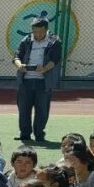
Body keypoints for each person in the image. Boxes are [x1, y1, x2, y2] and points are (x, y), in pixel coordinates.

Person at [13, 13, 62, 145]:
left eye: (40, 32)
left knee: (42, 110)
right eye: (35, 31)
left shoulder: (54, 41)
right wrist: (20, 65)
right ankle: (25, 134)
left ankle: (39, 134)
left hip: (43, 82)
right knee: (23, 109)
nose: (37, 34)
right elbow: (16, 56)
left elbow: (55, 59)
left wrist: (44, 68)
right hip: (26, 81)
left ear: (46, 30)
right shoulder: (26, 40)